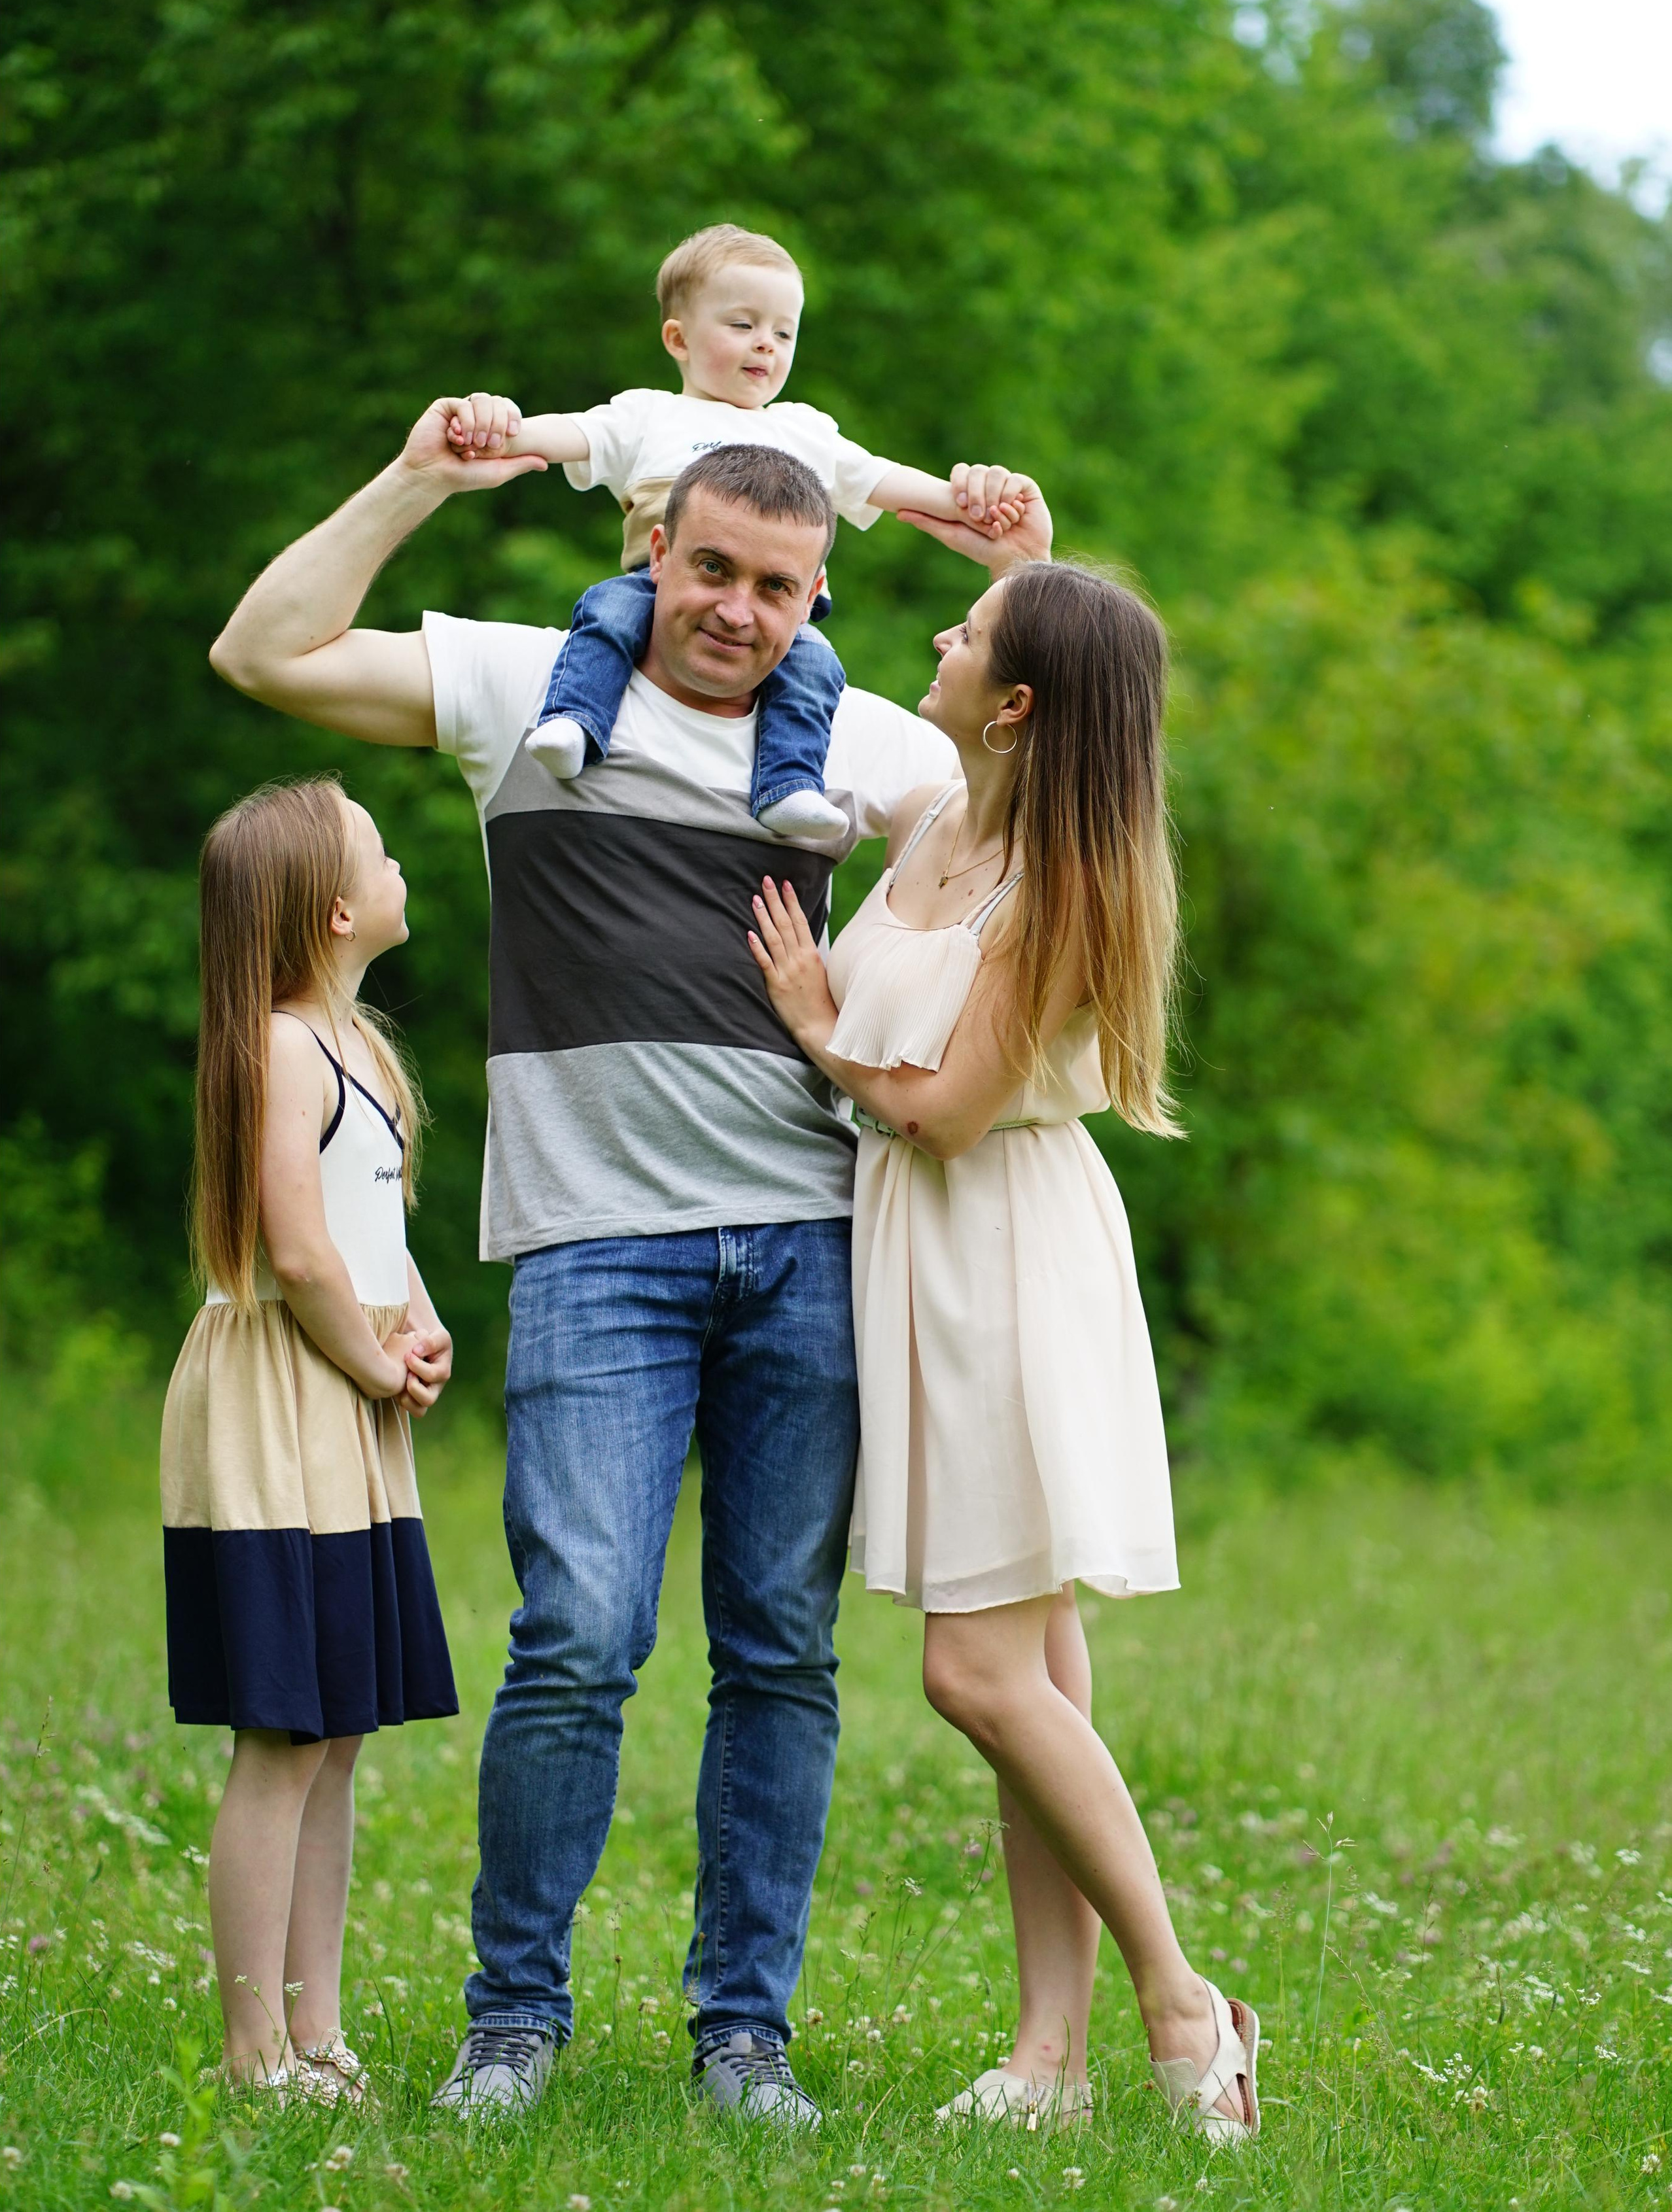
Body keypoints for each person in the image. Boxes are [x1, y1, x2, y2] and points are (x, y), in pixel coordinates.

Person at [206, 397, 1051, 2123]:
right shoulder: (531, 696)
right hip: (599, 1249)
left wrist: (1028, 586)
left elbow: (1039, 809)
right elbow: (265, 651)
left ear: (820, 599)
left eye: (783, 588)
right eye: (714, 571)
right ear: (654, 553)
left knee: (780, 1654)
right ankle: (512, 2021)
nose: (742, 611)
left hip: (810, 1245)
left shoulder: (858, 741)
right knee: (577, 1635)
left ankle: (745, 2036)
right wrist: (418, 480)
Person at [746, 561, 1260, 2147]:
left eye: (966, 641)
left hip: (1001, 1257)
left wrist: (809, 1013)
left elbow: (945, 1107)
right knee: (1028, 1669)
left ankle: (1182, 2000)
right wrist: (1013, 544)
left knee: (974, 1669)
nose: (939, 647)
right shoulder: (932, 825)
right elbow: (1033, 651)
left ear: (1018, 706)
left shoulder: (1055, 880)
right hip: (923, 1253)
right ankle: (1048, 2051)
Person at [162, 778, 458, 2100]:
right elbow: (293, 1245)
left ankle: (316, 2028)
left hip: (346, 1390)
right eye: (379, 853)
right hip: (284, 1398)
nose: (401, 864)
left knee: (336, 1730)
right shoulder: (281, 1046)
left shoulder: (361, 1050)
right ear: (340, 910)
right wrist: (375, 1357)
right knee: (280, 1734)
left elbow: (369, 1234)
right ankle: (249, 2050)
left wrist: (423, 1325)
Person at [447, 220, 1034, 847]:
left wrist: (974, 500)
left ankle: (789, 786)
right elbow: (556, 434)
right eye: (743, 325)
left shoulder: (802, 431)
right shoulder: (648, 415)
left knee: (814, 666)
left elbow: (886, 481)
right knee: (605, 614)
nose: (766, 346)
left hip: (778, 615)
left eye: (784, 333)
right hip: (659, 592)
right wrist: (490, 423)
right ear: (678, 337)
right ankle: (574, 722)